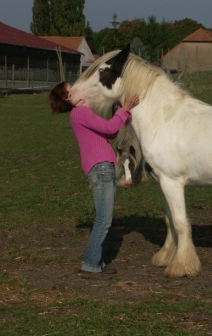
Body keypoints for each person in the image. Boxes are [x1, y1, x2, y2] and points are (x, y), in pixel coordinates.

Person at [49, 81, 139, 279]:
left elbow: (111, 131)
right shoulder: (81, 112)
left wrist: (122, 113)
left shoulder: (81, 114)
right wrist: (124, 110)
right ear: (68, 98)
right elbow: (109, 126)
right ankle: (90, 264)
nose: (78, 88)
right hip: (101, 169)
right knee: (103, 220)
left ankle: (96, 263)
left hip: (102, 169)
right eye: (71, 89)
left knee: (103, 219)